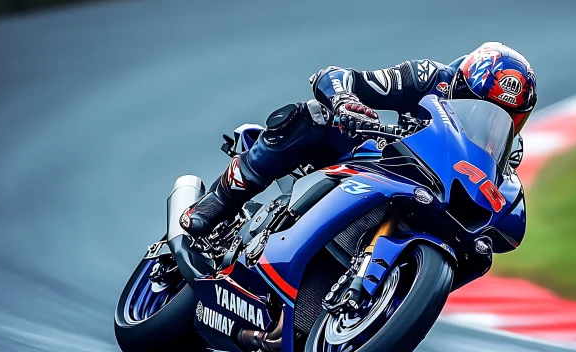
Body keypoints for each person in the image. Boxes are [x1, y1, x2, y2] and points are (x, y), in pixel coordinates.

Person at [180, 42, 537, 237]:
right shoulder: (429, 78)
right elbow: (336, 77)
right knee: (313, 115)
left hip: (431, 196)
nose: (487, 120)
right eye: (479, 106)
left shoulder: (503, 155)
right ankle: (219, 202)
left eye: (504, 117)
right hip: (378, 158)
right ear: (461, 85)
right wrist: (345, 102)